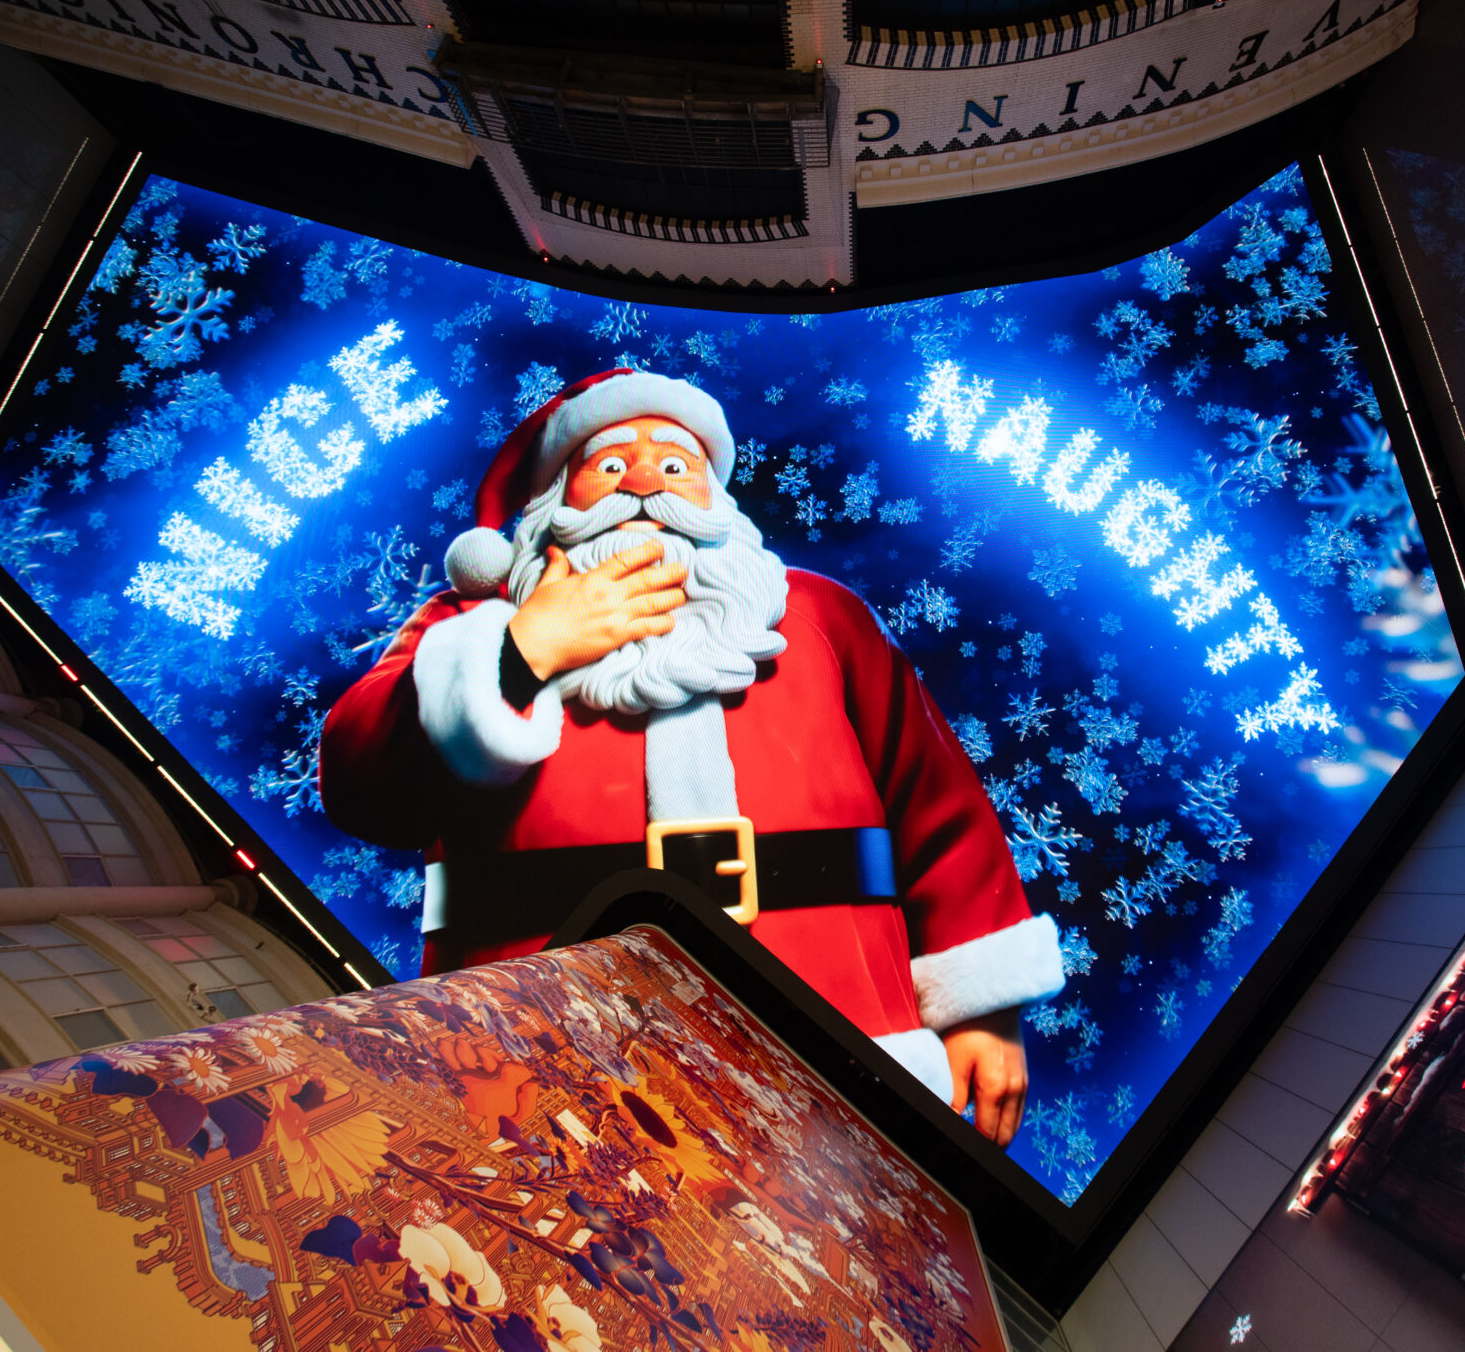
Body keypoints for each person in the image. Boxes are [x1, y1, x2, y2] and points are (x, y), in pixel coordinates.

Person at [321, 368, 1064, 1146]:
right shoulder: (469, 626)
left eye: (675, 464)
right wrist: (522, 649)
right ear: (555, 500)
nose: (644, 481)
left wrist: (983, 1004)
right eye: (611, 464)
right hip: (529, 1052)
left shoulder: (821, 614)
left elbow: (935, 801)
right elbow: (360, 785)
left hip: (835, 1036)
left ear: (716, 497)